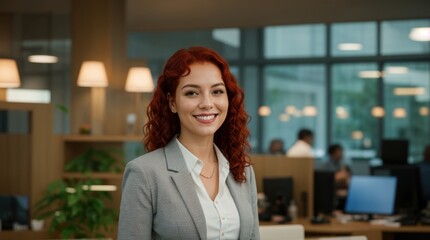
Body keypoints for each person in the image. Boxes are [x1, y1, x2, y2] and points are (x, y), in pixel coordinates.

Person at [118, 46, 260, 240]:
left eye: (217, 91)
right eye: (192, 93)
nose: (207, 103)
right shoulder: (144, 173)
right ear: (172, 103)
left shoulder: (242, 171)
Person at [322, 144, 351, 211]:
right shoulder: (326, 166)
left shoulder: (345, 164)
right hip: (331, 191)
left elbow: (349, 178)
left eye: (341, 152)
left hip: (344, 191)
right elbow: (326, 181)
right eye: (338, 152)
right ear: (332, 154)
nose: (341, 154)